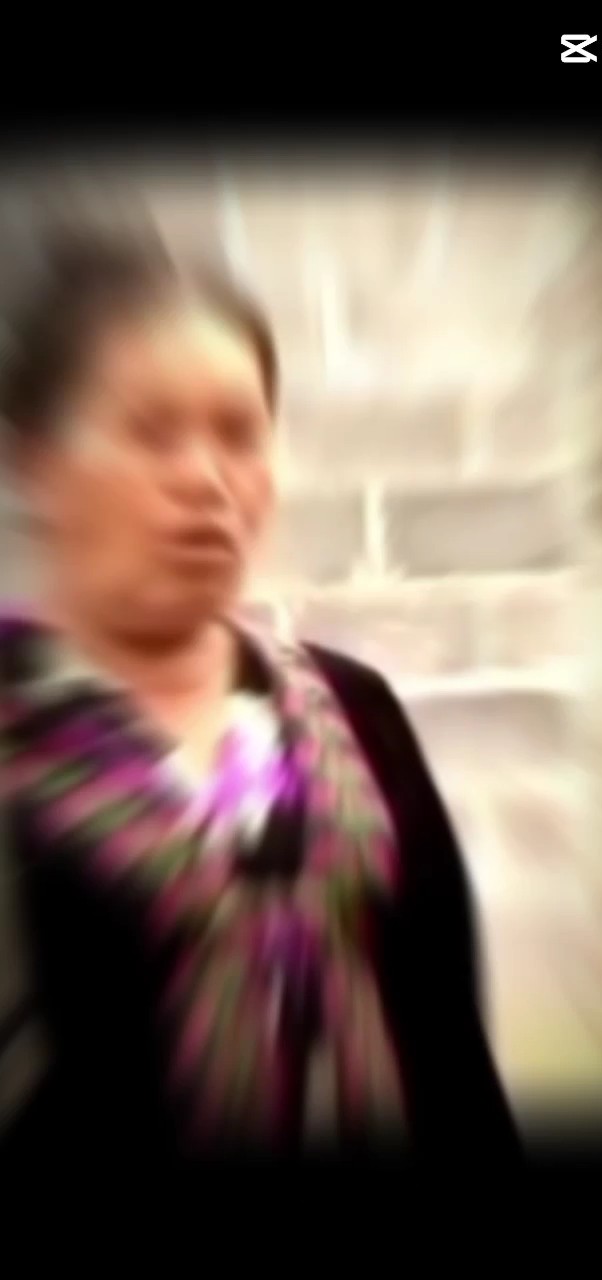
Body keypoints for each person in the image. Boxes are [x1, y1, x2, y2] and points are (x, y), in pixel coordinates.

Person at [0, 219, 521, 1169]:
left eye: (240, 434)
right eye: (151, 433)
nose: (208, 480)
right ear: (36, 463)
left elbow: (449, 1038)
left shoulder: (355, 712)